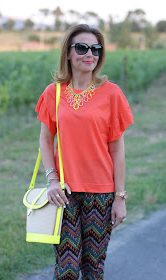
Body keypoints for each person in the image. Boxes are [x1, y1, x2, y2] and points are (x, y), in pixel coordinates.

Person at [35, 24, 134, 280]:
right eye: (82, 47)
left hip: (101, 194)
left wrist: (120, 196)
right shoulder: (53, 93)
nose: (89, 54)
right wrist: (52, 180)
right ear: (68, 53)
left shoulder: (112, 94)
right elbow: (46, 141)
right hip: (64, 194)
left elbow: (117, 149)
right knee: (66, 270)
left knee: (92, 268)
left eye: (96, 49)